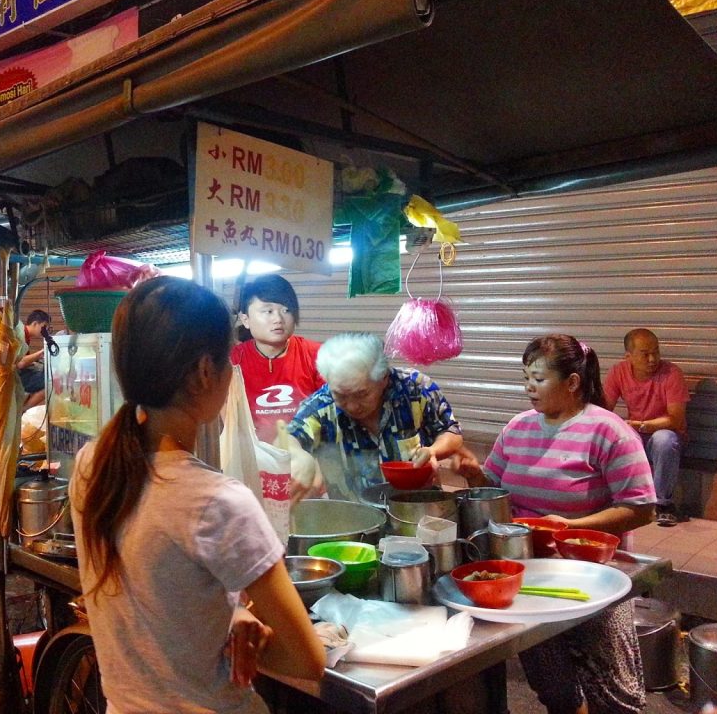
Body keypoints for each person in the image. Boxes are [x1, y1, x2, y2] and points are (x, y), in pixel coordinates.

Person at [70, 276, 324, 713]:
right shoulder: (217, 501)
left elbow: (159, 598)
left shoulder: (92, 465)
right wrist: (238, 638)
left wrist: (226, 617)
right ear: (207, 371)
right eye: (228, 359)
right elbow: (308, 659)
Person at [452, 334, 656, 714]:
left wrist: (571, 525)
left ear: (573, 382)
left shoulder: (608, 431)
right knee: (554, 687)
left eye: (539, 379)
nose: (529, 387)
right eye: (525, 377)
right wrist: (473, 476)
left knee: (616, 696)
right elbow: (494, 490)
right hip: (528, 576)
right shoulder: (518, 428)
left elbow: (641, 508)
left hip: (595, 579)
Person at [284, 332, 463, 500]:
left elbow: (450, 431)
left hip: (418, 509)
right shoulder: (321, 404)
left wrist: (433, 451)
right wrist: (298, 456)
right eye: (341, 396)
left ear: (384, 378)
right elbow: (290, 437)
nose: (352, 406)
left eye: (361, 394)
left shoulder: (414, 388)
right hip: (355, 520)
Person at [603, 328, 689, 527]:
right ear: (629, 357)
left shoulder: (671, 373)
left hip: (666, 435)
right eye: (645, 354)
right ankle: (618, 499)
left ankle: (663, 505)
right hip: (637, 433)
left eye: (656, 352)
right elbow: (604, 411)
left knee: (664, 440)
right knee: (612, 438)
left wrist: (641, 425)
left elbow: (675, 419)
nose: (652, 359)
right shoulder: (618, 372)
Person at [230, 274, 324, 443]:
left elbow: (331, 411)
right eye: (268, 311)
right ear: (246, 320)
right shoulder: (233, 361)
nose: (278, 319)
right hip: (251, 461)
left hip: (307, 459)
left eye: (286, 310)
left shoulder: (318, 355)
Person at [18, 309, 51, 409]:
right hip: (15, 376)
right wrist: (41, 352)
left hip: (20, 373)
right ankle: (23, 411)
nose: (44, 332)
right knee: (49, 382)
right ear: (35, 323)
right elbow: (20, 363)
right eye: (43, 328)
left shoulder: (25, 335)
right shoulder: (21, 335)